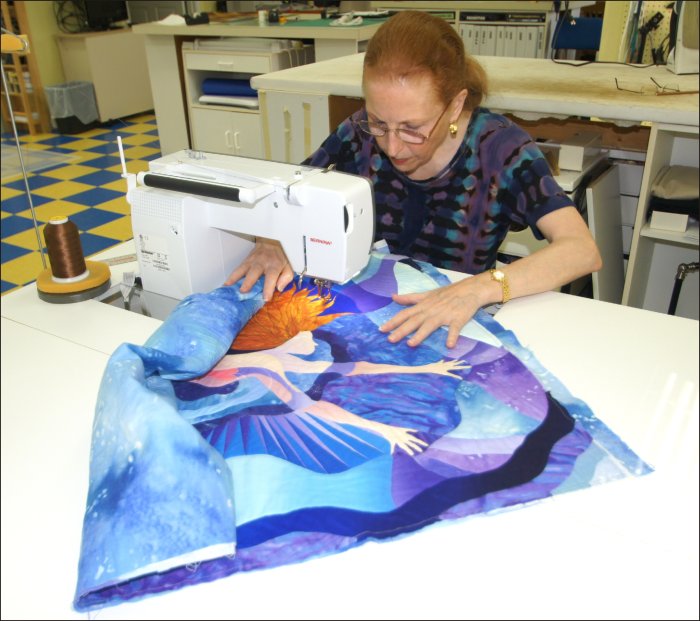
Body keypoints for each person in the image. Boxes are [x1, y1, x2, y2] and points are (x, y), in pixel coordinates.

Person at [226, 10, 602, 349]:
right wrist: (272, 238)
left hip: (451, 323)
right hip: (364, 311)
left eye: (412, 128)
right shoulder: (358, 135)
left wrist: (476, 290)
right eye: (378, 122)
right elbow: (291, 193)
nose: (391, 146)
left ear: (455, 105)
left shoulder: (500, 150)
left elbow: (581, 250)